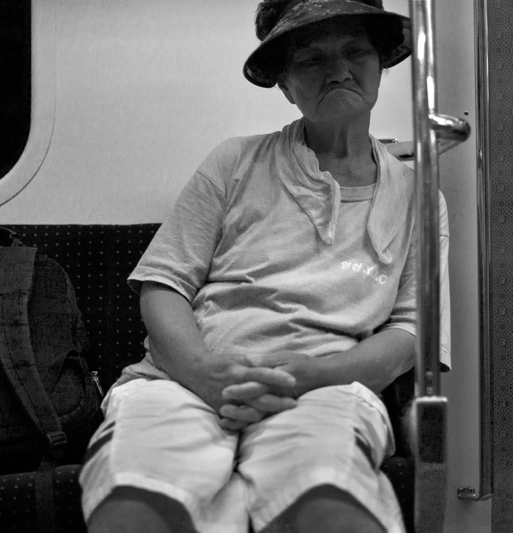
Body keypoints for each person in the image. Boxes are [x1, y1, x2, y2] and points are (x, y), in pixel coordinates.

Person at [80, 1, 451, 532]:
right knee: (135, 509)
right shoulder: (235, 160)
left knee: (327, 506)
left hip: (326, 387)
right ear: (284, 84)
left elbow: (412, 330)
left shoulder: (419, 196)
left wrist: (314, 375)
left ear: (380, 65)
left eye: (355, 52)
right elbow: (164, 284)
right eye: (312, 59)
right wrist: (204, 373)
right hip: (183, 379)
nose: (339, 70)